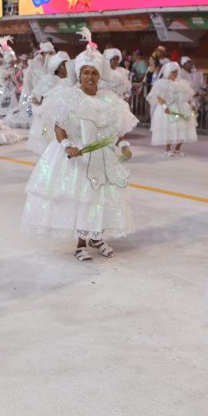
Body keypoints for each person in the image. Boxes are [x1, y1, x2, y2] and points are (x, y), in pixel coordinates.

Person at [20, 46, 138, 261]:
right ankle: (81, 244)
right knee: (84, 199)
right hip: (79, 157)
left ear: (99, 76)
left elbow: (115, 131)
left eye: (94, 73)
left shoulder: (109, 100)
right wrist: (66, 145)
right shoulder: (68, 97)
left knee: (101, 199)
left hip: (102, 157)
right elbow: (59, 126)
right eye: (86, 72)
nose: (90, 77)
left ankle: (96, 237)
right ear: (79, 74)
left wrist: (124, 145)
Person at [147, 61, 198, 157]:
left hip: (181, 108)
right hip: (169, 109)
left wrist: (192, 105)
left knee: (182, 128)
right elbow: (159, 97)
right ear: (168, 72)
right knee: (169, 128)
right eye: (172, 72)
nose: (175, 74)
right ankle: (168, 149)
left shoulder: (182, 83)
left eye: (176, 72)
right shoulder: (162, 83)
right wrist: (165, 107)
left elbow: (188, 96)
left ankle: (177, 149)